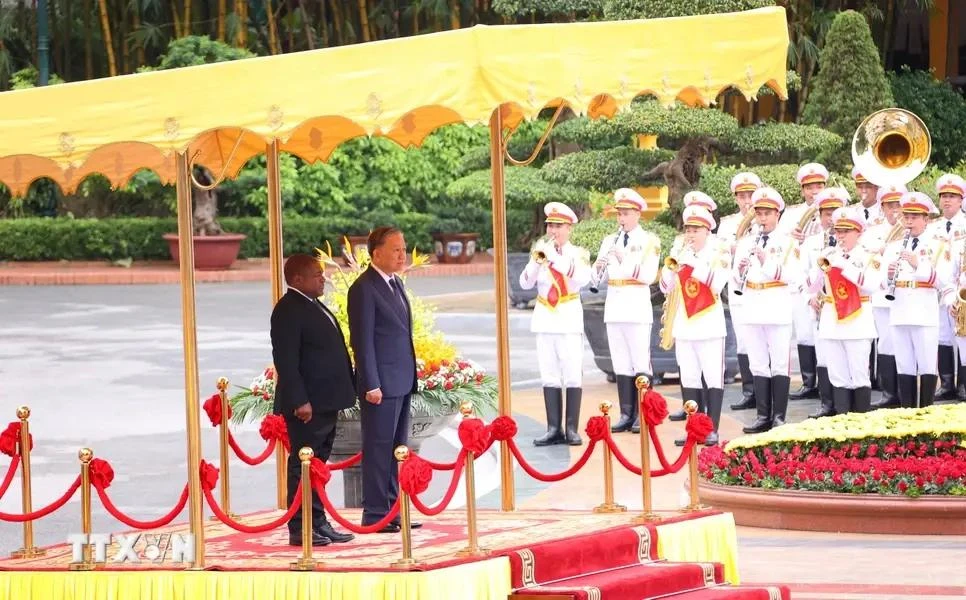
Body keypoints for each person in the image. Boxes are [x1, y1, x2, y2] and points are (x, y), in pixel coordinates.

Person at [271, 254, 356, 547]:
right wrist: (299, 400)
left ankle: (318, 520)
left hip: (325, 400)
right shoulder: (288, 310)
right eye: (317, 275)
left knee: (317, 463)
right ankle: (301, 526)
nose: (324, 279)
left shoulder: (312, 304)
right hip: (307, 406)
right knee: (303, 464)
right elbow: (286, 361)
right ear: (297, 279)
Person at [347, 226, 421, 533]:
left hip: (401, 379)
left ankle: (393, 509)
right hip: (381, 385)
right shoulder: (364, 288)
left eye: (403, 249)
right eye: (396, 250)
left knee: (396, 448)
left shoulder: (395, 283)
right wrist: (371, 383)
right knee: (378, 448)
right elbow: (362, 341)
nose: (402, 255)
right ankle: (376, 512)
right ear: (375, 253)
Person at [659, 205, 731, 446]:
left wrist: (693, 264)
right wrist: (672, 270)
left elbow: (717, 283)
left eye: (696, 229)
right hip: (685, 325)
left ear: (707, 231)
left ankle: (712, 429)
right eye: (688, 229)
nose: (690, 234)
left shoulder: (718, 252)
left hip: (709, 324)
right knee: (689, 378)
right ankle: (694, 429)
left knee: (712, 377)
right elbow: (665, 288)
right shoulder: (680, 251)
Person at [522, 202, 592, 445]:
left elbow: (583, 278)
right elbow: (524, 283)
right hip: (545, 320)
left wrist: (554, 260)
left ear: (569, 228)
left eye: (558, 226)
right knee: (549, 375)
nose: (553, 230)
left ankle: (571, 428)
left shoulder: (578, 254)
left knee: (572, 374)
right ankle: (553, 428)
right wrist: (535, 262)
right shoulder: (540, 252)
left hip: (568, 319)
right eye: (551, 225)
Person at [733, 187, 802, 434]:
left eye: (767, 213)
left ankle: (779, 417)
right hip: (752, 306)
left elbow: (793, 276)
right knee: (759, 364)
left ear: (777, 214)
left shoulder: (788, 243)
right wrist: (740, 270)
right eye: (759, 213)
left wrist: (766, 262)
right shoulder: (746, 242)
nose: (762, 218)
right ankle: (762, 415)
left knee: (779, 364)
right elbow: (734, 277)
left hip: (776, 306)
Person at [592, 189, 660, 435]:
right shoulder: (609, 240)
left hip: (636, 307)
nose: (621, 218)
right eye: (619, 213)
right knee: (621, 361)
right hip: (615, 306)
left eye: (626, 213)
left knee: (640, 361)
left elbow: (649, 276)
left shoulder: (649, 241)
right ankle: (626, 412)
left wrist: (624, 260)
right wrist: (597, 269)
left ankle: (644, 414)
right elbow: (599, 277)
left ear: (638, 214)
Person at [806, 206, 882, 414]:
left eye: (846, 231)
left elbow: (872, 285)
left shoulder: (869, 257)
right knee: (837, 375)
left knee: (858, 374)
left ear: (859, 232)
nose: (841, 236)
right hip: (832, 319)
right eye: (838, 231)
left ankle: (860, 428)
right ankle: (842, 424)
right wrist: (818, 274)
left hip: (857, 320)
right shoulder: (829, 254)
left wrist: (844, 267)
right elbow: (812, 286)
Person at [879, 192, 950, 408]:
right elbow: (881, 283)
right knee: (904, 364)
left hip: (924, 311)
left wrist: (919, 265)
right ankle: (907, 412)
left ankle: (926, 410)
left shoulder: (939, 245)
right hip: (900, 310)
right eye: (906, 216)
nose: (909, 222)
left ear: (926, 219)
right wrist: (889, 276)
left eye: (914, 217)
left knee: (927, 364)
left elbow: (944, 279)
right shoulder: (893, 246)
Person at [798, 187, 850, 419]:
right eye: (826, 213)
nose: (831, 218)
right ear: (819, 216)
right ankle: (827, 403)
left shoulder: (851, 242)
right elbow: (801, 275)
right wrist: (810, 297)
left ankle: (847, 405)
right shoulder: (810, 244)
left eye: (835, 212)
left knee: (847, 356)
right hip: (822, 306)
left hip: (848, 306)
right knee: (824, 355)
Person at [782, 163, 829, 401]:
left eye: (819, 186)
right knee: (804, 333)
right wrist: (795, 238)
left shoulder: (835, 211)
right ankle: (809, 381)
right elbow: (780, 244)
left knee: (825, 335)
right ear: (802, 190)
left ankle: (828, 383)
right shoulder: (791, 214)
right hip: (801, 280)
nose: (814, 191)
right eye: (809, 187)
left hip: (827, 282)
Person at [717, 172, 763, 412]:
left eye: (750, 195)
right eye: (742, 196)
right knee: (744, 342)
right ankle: (750, 391)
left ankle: (765, 390)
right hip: (739, 288)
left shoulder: (766, 219)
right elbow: (722, 253)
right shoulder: (727, 223)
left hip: (763, 289)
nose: (746, 201)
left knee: (761, 341)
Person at [858, 183, 906, 409]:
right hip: (880, 295)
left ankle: (905, 391)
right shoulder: (873, 231)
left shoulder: (911, 228)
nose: (894, 210)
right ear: (883, 207)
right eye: (889, 205)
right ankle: (889, 392)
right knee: (886, 343)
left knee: (905, 343)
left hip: (905, 296)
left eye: (898, 205)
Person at [926, 174, 966, 400]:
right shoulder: (934, 227)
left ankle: (963, 385)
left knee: (963, 338)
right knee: (942, 336)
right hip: (938, 290)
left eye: (952, 196)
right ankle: (947, 383)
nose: (947, 200)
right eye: (943, 196)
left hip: (961, 292)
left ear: (961, 200)